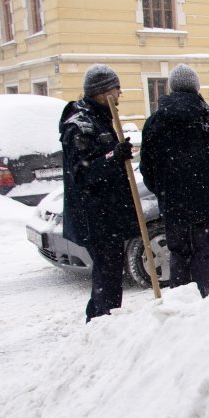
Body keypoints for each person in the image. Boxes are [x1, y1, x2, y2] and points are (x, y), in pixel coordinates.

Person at [139, 64, 209, 298]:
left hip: (173, 203)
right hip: (206, 202)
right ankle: (204, 300)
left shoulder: (155, 122)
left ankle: (182, 303)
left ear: (172, 88)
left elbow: (147, 167)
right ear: (196, 88)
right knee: (204, 255)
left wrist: (163, 190)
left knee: (178, 254)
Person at [60, 64, 139, 322]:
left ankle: (104, 322)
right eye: (117, 89)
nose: (121, 94)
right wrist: (113, 157)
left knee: (111, 275)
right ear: (103, 91)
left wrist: (115, 156)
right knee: (107, 276)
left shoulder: (99, 118)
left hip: (107, 214)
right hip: (96, 217)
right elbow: (82, 174)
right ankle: (101, 324)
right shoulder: (80, 125)